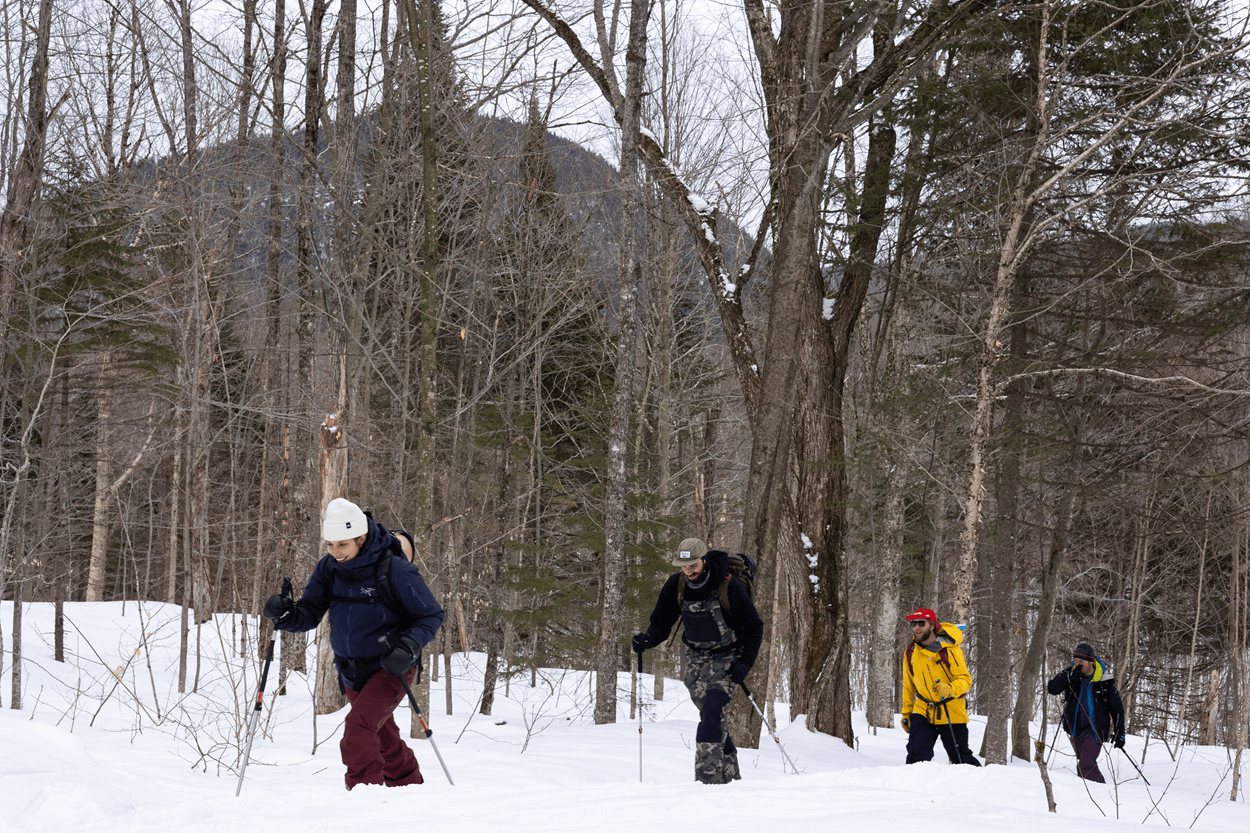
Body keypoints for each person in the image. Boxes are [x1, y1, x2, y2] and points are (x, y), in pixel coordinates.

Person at [263, 498, 445, 790]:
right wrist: (285, 615)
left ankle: (363, 799)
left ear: (362, 537)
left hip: (391, 668)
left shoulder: (394, 569)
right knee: (383, 738)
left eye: (343, 545)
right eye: (330, 545)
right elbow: (309, 613)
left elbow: (431, 615)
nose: (336, 553)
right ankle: (410, 790)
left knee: (358, 731)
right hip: (351, 671)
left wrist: (409, 646)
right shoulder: (329, 568)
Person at [631, 538, 764, 784]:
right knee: (711, 715)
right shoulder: (677, 584)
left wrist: (744, 663)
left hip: (728, 658)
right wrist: (647, 640)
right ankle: (730, 776)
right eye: (683, 565)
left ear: (703, 560)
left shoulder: (729, 585)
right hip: (695, 660)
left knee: (713, 709)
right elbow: (662, 622)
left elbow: (755, 627)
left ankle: (707, 780)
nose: (688, 570)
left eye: (692, 564)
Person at [900, 607, 982, 766]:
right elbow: (908, 685)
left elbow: (965, 679)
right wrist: (906, 712)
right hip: (922, 709)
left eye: (921, 623)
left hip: (950, 709)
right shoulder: (911, 651)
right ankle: (914, 790)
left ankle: (981, 785)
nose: (916, 627)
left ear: (931, 625)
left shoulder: (950, 649)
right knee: (916, 759)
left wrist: (950, 689)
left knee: (961, 759)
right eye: (913, 623)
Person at [1046, 642, 1125, 783]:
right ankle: (1087, 792)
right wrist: (1069, 678)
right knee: (1083, 762)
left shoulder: (1105, 681)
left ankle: (1100, 792)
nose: (1077, 664)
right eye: (1075, 661)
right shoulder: (1071, 674)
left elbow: (1117, 709)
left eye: (1080, 662)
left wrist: (1120, 733)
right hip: (1075, 728)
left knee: (1086, 763)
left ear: (1090, 662)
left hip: (1096, 729)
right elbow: (1052, 688)